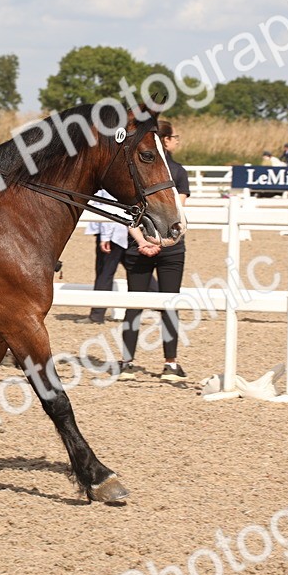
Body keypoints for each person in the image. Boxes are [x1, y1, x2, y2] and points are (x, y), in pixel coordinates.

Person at [118, 120, 191, 382]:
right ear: (166, 140)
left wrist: (143, 241)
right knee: (169, 304)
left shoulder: (135, 169)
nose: (176, 141)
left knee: (134, 305)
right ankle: (170, 364)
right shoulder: (177, 171)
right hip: (170, 247)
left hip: (142, 245)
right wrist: (157, 242)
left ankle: (127, 362)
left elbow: (129, 214)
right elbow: (176, 214)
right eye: (175, 137)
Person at [81, 189, 129, 324]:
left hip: (112, 236)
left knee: (104, 273)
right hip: (115, 234)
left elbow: (109, 208)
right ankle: (162, 302)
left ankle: (97, 315)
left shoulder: (107, 186)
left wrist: (106, 237)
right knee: (136, 270)